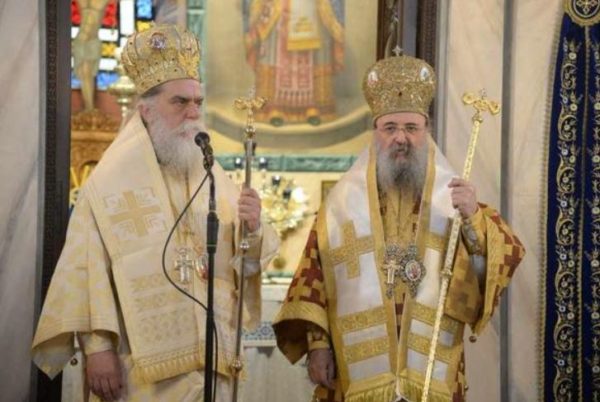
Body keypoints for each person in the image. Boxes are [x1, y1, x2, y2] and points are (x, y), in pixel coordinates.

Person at [32, 24, 279, 401]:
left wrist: (254, 227)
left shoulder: (208, 170)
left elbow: (242, 259)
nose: (193, 113)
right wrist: (98, 349)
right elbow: (86, 266)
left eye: (198, 102)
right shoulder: (110, 179)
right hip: (141, 369)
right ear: (146, 110)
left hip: (210, 361)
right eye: (180, 102)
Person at [272, 54, 525, 402]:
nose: (400, 138)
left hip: (430, 363)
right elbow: (313, 279)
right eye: (390, 128)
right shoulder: (341, 206)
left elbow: (499, 261)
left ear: (426, 131)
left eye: (411, 128)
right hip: (357, 368)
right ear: (375, 133)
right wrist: (318, 346)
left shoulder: (454, 199)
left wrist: (473, 220)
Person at [243, 0, 344, 126]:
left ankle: (311, 107)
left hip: (310, 13)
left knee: (312, 56)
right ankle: (275, 107)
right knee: (275, 54)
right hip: (279, 14)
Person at [72, 0, 110, 112]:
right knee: (84, 74)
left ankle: (90, 108)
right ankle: (89, 108)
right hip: (81, 40)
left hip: (92, 41)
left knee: (88, 74)